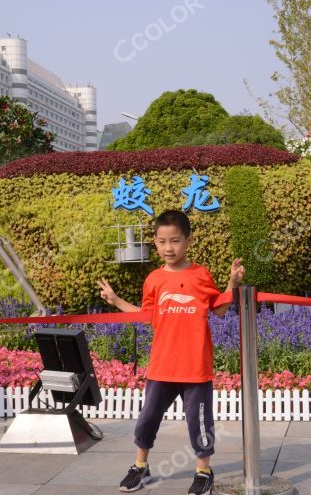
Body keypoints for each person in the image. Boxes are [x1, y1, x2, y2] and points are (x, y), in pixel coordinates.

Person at [97, 209, 244, 495]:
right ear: (155, 241)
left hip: (195, 368)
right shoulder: (153, 280)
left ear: (188, 241)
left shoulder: (201, 275)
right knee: (147, 418)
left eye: (175, 241)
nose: (168, 247)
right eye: (162, 241)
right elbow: (145, 315)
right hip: (162, 366)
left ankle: (204, 470)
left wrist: (232, 285)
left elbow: (221, 309)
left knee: (200, 423)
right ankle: (140, 466)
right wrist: (115, 300)